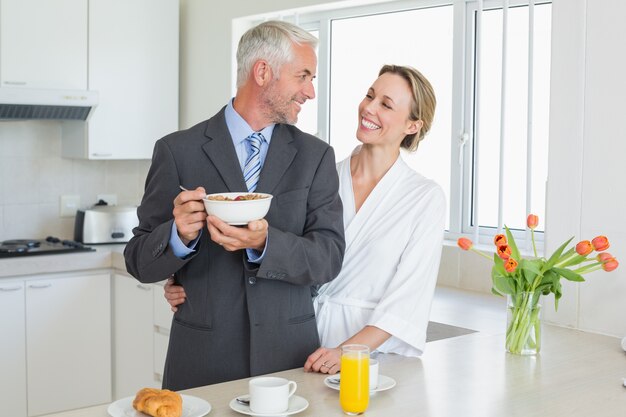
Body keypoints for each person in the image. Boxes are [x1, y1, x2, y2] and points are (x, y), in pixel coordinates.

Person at [166, 64, 445, 375]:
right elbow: (275, 252)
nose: (368, 107)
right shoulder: (319, 172)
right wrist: (187, 281)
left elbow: (407, 299)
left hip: (368, 356)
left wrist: (348, 352)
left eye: (386, 104)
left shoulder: (423, 197)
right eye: (370, 95)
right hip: (297, 344)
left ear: (412, 126)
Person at [124, 20, 345, 391]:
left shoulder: (316, 156)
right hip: (202, 360)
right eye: (303, 75)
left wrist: (264, 243)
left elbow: (329, 257)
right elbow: (138, 261)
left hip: (288, 361)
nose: (310, 91)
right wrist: (177, 235)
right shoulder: (177, 151)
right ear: (262, 72)